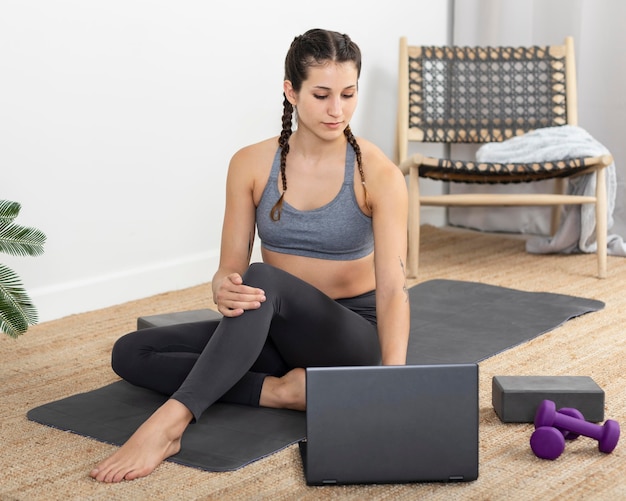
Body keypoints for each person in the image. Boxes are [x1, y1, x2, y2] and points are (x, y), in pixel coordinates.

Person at [89, 28, 409, 483]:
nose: (337, 110)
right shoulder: (251, 164)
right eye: (321, 95)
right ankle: (280, 392)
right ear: (290, 91)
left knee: (266, 277)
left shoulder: (376, 174)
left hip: (350, 336)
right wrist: (223, 286)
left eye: (348, 94)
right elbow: (231, 269)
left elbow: (394, 288)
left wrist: (391, 380)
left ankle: (171, 422)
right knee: (133, 352)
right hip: (274, 329)